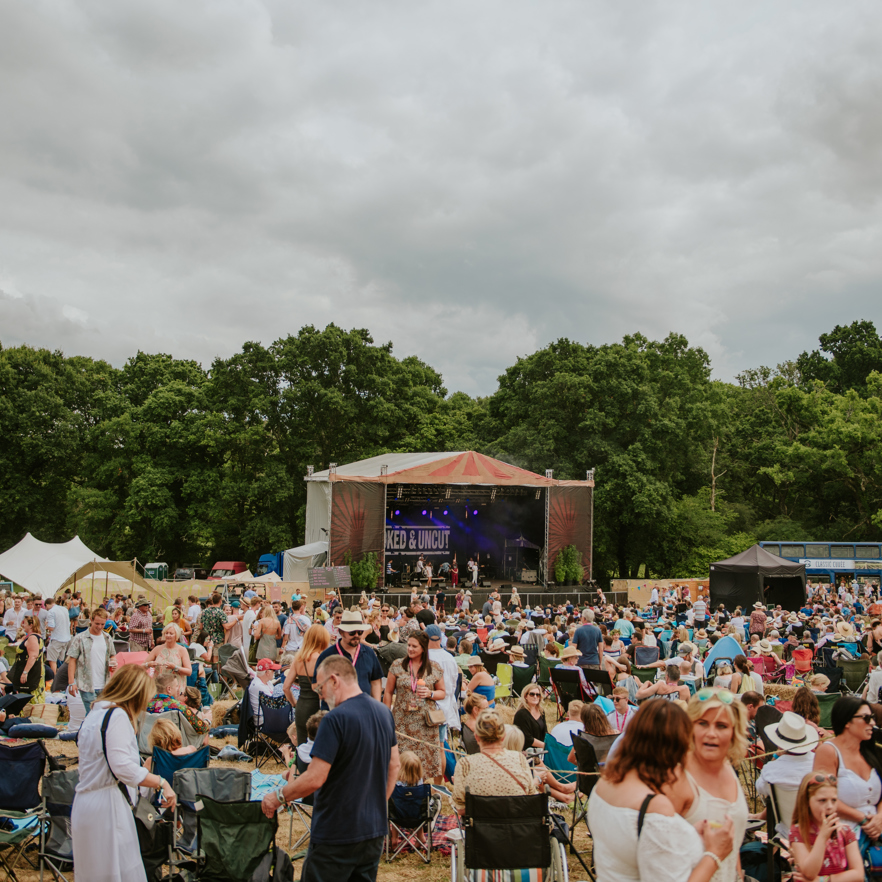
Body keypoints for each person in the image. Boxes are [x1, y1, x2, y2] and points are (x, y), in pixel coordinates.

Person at [261, 656, 400, 882]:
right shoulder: (384, 712)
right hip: (373, 829)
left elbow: (315, 777)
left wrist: (278, 796)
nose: (320, 695)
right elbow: (394, 765)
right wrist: (376, 803)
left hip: (337, 831)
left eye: (320, 688)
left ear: (334, 680)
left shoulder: (334, 719)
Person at [588, 700, 734, 882]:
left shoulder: (605, 784)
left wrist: (687, 832)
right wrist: (715, 855)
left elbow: (639, 840)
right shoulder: (653, 806)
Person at [71, 664, 177, 882]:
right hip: (106, 807)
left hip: (86, 803)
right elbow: (123, 768)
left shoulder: (94, 714)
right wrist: (161, 782)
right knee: (118, 872)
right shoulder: (116, 716)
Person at [665, 689, 750, 882]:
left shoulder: (727, 767)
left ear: (734, 732)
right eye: (702, 723)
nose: (711, 734)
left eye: (721, 726)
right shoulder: (677, 780)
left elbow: (732, 843)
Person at [813, 695, 882, 837]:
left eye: (872, 717)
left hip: (876, 832)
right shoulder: (828, 751)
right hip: (841, 836)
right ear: (847, 722)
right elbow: (822, 797)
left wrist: (879, 818)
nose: (872, 723)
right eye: (866, 718)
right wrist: (863, 818)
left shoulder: (870, 751)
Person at [383, 631, 446, 781]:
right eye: (409, 645)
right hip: (401, 722)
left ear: (423, 648)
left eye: (414, 646)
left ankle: (422, 791)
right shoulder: (397, 665)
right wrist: (386, 716)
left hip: (425, 724)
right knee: (400, 759)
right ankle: (400, 790)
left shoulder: (434, 667)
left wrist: (430, 693)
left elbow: (442, 692)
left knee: (424, 760)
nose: (410, 649)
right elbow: (388, 692)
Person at [453, 709, 536, 812]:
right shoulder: (519, 759)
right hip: (517, 821)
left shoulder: (465, 764)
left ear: (477, 737)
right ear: (503, 737)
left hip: (481, 821)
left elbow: (461, 809)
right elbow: (531, 799)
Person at [753, 712, 819, 837]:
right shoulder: (820, 763)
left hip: (787, 834)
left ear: (780, 743)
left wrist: (776, 756)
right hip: (818, 832)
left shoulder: (771, 770)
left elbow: (760, 788)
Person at [789, 773, 864, 882]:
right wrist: (822, 837)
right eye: (822, 800)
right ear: (807, 801)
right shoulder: (797, 832)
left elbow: (858, 874)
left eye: (833, 800)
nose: (829, 806)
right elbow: (809, 873)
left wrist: (821, 880)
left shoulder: (845, 831)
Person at [316, 610, 383, 700]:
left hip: (363, 706)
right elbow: (318, 686)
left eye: (360, 632)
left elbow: (376, 682)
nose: (356, 635)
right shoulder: (327, 655)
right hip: (337, 707)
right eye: (352, 632)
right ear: (341, 632)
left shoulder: (369, 653)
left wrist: (376, 704)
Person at [283, 623, 330, 745]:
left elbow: (286, 687)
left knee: (302, 746)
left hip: (301, 707)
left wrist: (294, 703)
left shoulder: (298, 659)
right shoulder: (321, 659)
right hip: (317, 708)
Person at [67, 608, 117, 714]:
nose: (99, 627)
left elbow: (112, 655)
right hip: (86, 684)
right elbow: (72, 660)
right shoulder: (80, 638)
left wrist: (113, 663)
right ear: (91, 620)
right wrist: (71, 682)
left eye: (102, 624)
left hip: (104, 684)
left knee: (100, 715)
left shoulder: (107, 638)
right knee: (93, 714)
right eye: (97, 624)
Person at [146, 671, 210, 736]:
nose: (178, 689)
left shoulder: (144, 705)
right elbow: (202, 728)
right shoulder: (179, 706)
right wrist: (207, 720)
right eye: (176, 686)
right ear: (169, 689)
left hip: (148, 740)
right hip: (172, 741)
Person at [425, 624, 461, 742]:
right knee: (441, 742)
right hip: (446, 704)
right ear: (440, 639)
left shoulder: (424, 657)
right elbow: (454, 683)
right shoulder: (450, 658)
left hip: (430, 705)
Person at [4, 615, 46, 701]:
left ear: (31, 625)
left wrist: (25, 672)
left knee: (30, 694)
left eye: (24, 623)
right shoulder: (35, 636)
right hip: (35, 669)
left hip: (31, 671)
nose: (23, 625)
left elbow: (33, 656)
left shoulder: (32, 638)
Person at [146, 624, 192, 691]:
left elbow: (189, 672)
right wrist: (149, 664)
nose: (168, 635)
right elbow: (142, 666)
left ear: (176, 635)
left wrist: (175, 667)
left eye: (171, 633)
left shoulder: (182, 650)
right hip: (159, 688)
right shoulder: (157, 649)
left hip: (176, 689)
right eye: (166, 633)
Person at [513, 684, 547, 750]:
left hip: (540, 749)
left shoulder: (541, 711)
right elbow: (527, 739)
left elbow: (545, 733)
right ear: (526, 696)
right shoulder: (521, 714)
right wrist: (546, 746)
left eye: (538, 695)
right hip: (526, 750)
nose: (535, 697)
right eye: (532, 694)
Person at [45, 596, 73, 674]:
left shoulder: (51, 612)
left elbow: (51, 627)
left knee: (52, 660)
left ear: (47, 605)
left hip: (57, 639)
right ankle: (61, 675)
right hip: (66, 638)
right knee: (61, 660)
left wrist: (46, 625)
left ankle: (54, 678)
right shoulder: (64, 609)